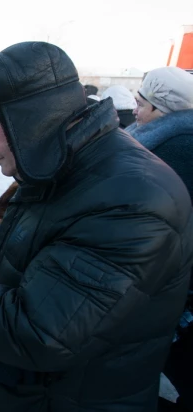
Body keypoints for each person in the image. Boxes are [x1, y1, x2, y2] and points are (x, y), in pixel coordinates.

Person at [0, 42, 193, 411]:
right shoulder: (67, 162)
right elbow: (23, 240)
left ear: (29, 122)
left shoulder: (132, 200)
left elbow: (39, 332)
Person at [125, 66, 193, 411]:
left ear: (160, 108)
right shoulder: (159, 137)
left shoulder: (178, 147)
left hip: (170, 283)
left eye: (140, 103)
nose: (134, 110)